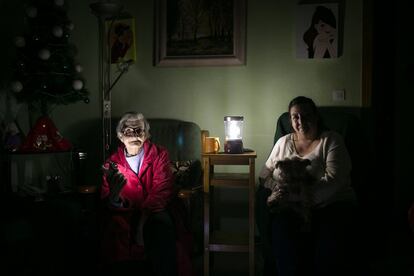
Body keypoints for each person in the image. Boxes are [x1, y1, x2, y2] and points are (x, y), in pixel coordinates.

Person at [259, 96, 358, 276]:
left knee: (328, 245)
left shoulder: (331, 140)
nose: (301, 121)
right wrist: (275, 188)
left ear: (316, 117)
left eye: (306, 115)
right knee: (282, 231)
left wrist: (299, 197)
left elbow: (334, 181)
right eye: (295, 117)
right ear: (290, 120)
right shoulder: (283, 142)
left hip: (330, 204)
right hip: (290, 206)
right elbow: (263, 174)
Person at [100, 112, 190, 276]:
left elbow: (161, 191)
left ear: (147, 134)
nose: (134, 134)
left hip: (156, 210)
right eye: (128, 130)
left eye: (139, 130)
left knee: (160, 228)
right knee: (114, 231)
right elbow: (108, 199)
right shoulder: (111, 164)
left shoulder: (159, 154)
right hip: (124, 213)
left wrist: (142, 220)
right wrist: (114, 198)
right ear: (120, 136)